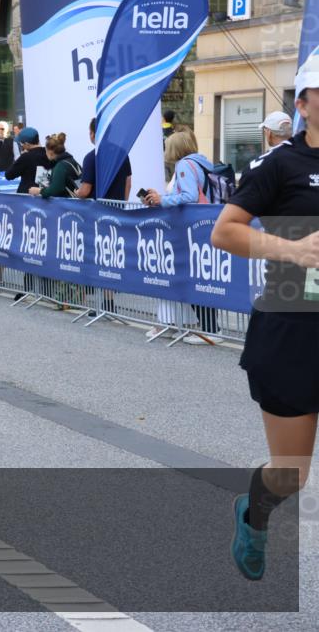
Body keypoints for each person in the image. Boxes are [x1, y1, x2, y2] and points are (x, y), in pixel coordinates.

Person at [210, 60, 319, 582]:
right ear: (302, 104)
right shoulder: (282, 165)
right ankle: (254, 512)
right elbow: (225, 232)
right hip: (292, 325)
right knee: (291, 474)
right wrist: (293, 250)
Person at [141, 130, 220, 343]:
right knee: (199, 277)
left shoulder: (184, 165)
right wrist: (161, 197)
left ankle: (210, 330)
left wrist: (162, 201)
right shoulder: (202, 162)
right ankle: (201, 327)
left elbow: (189, 196)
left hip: (191, 229)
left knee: (192, 277)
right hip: (204, 225)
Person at [77, 117, 132, 201]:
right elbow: (128, 183)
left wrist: (77, 192)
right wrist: (123, 205)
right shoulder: (122, 153)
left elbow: (85, 191)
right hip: (118, 209)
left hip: (98, 211)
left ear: (92, 134)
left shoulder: (91, 157)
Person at [28, 133, 81, 198]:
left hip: (68, 204)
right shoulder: (71, 160)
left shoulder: (60, 166)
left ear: (50, 152)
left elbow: (56, 189)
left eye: (45, 150)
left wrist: (39, 191)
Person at [5, 126, 52, 195]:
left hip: (28, 198)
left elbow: (9, 175)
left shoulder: (26, 157)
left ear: (27, 144)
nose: (21, 145)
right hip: (47, 196)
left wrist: (21, 158)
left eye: (21, 143)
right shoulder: (50, 154)